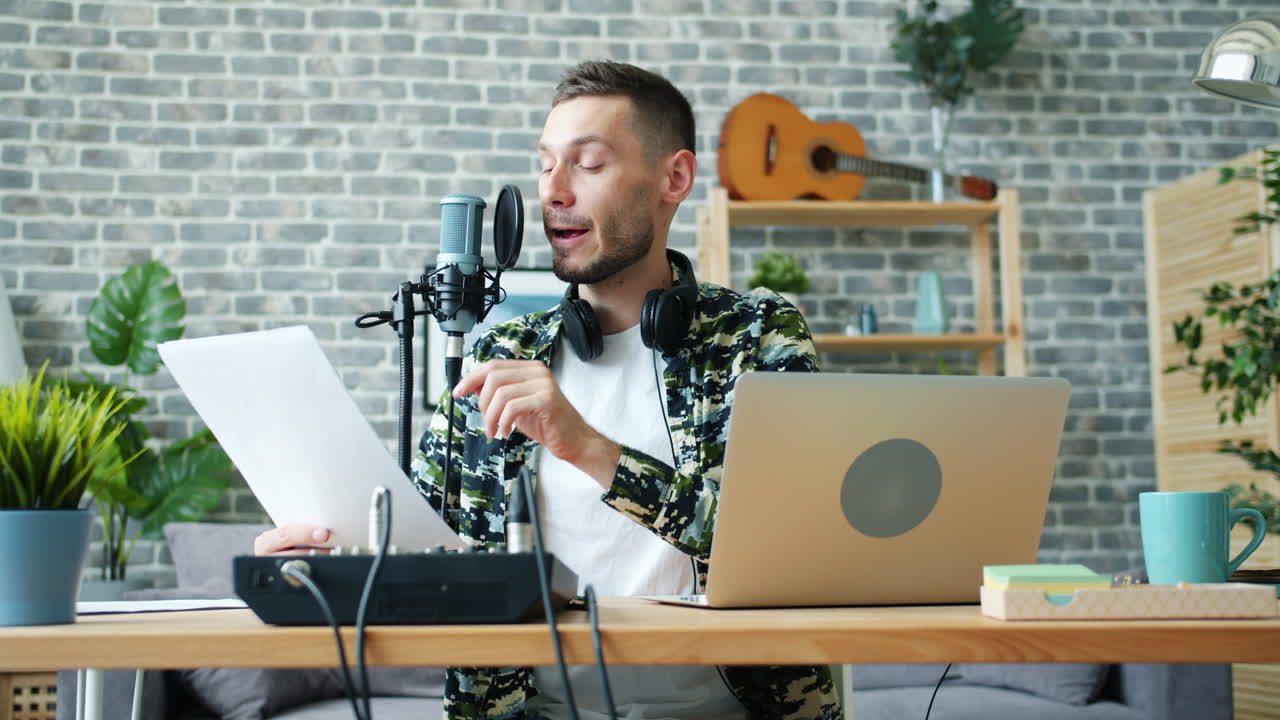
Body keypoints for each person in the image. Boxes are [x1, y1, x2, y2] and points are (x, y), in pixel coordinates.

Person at [256, 60, 837, 720]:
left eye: (587, 164)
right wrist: (320, 555)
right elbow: (418, 546)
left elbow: (787, 552)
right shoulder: (502, 354)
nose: (553, 191)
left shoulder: (757, 337)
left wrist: (588, 446)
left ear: (673, 179)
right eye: (544, 164)